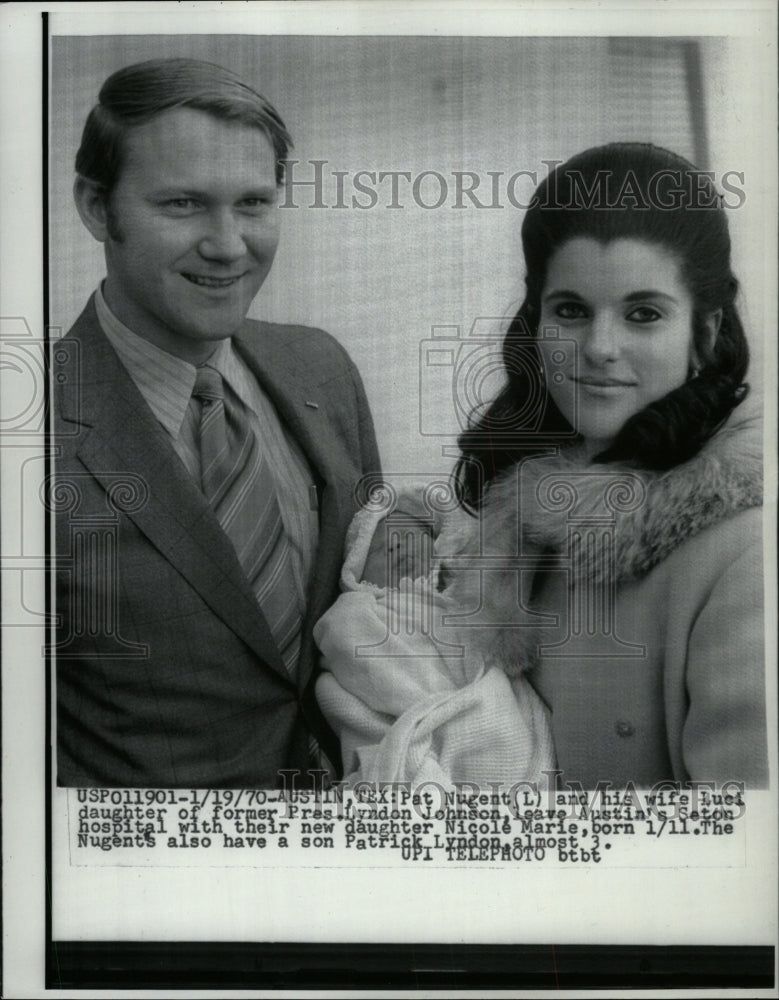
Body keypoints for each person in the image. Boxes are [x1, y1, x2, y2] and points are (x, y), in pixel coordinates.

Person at [315, 143, 767, 789]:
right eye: (570, 310)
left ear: (703, 331)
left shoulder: (745, 558)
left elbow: (738, 852)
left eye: (643, 314)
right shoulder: (514, 522)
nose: (598, 348)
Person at [53, 58, 380, 788]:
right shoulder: (27, 434)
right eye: (183, 205)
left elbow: (378, 605)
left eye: (254, 203)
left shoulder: (320, 366)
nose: (229, 244)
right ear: (97, 208)